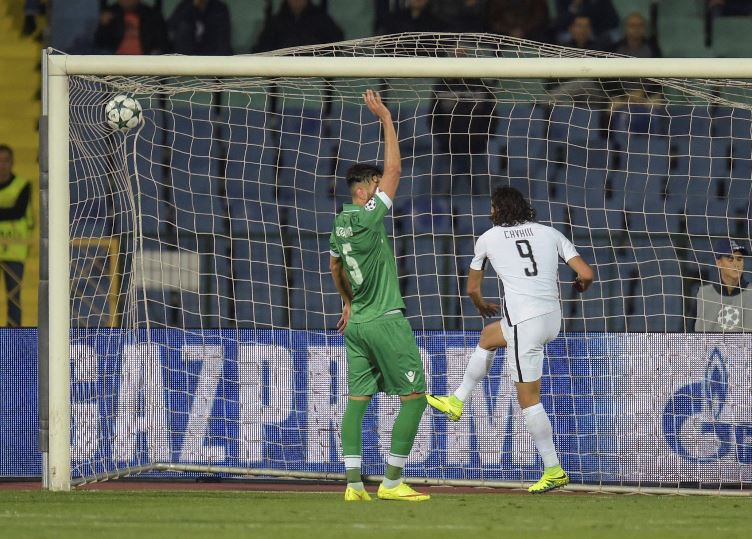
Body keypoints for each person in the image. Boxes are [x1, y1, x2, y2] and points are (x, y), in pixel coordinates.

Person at [426, 186, 594, 494]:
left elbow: (473, 289)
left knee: (528, 398)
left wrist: (480, 306)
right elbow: (587, 273)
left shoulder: (488, 238)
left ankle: (553, 469)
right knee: (489, 336)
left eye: (492, 207)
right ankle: (457, 400)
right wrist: (580, 285)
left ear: (499, 210)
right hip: (551, 319)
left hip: (525, 323)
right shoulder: (549, 233)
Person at [328, 90, 430, 502]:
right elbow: (395, 169)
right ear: (366, 189)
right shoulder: (369, 217)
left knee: (356, 402)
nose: (379, 187)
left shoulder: (339, 223)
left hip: (357, 325)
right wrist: (387, 119)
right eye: (375, 185)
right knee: (415, 400)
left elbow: (335, 267)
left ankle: (353, 486)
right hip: (386, 319)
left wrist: (346, 302)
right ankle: (390, 482)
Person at [0, 145, 33, 327]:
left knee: (14, 297)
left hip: (14, 249)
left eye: (6, 160)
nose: (2, 165)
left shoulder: (22, 185)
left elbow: (17, 212)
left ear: (12, 163)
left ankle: (13, 337)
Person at [693, 239, 752, 332]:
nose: (736, 264)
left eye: (739, 259)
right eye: (730, 259)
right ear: (718, 263)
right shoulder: (703, 295)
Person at [253, 0, 343, 52]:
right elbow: (262, 48)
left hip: (316, 74)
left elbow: (337, 46)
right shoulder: (275, 22)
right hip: (281, 75)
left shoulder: (322, 20)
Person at [93, 0, 169, 55]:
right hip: (116, 59)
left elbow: (163, 41)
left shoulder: (151, 15)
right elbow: (99, 43)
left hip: (144, 59)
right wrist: (104, 26)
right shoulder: (111, 13)